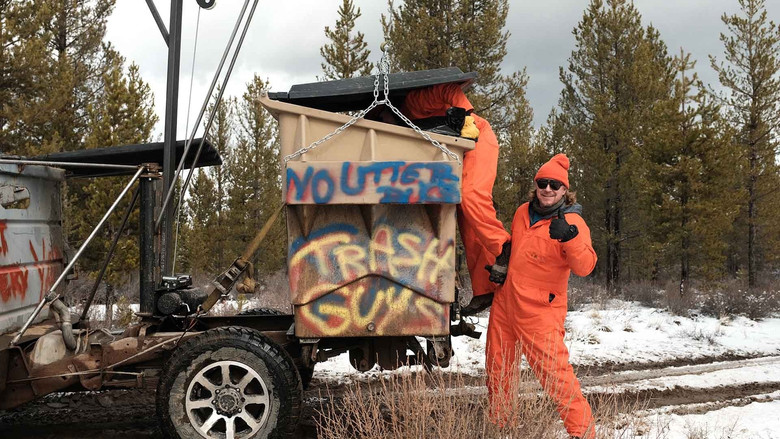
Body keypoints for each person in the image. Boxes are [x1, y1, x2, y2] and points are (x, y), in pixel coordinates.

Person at [485, 153, 597, 439]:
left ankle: (582, 434)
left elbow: (585, 266)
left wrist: (569, 237)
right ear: (536, 185)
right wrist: (502, 266)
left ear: (564, 191)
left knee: (556, 378)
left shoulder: (574, 222)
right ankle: (502, 428)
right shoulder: (523, 212)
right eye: (542, 183)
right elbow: (517, 249)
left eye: (555, 185)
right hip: (506, 304)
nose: (548, 189)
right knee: (498, 371)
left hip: (540, 311)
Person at [400, 83, 511, 314]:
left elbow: (448, 90)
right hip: (455, 150)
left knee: (471, 196)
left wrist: (467, 116)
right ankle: (484, 290)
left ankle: (503, 246)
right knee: (466, 218)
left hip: (477, 138)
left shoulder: (413, 102)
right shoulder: (402, 127)